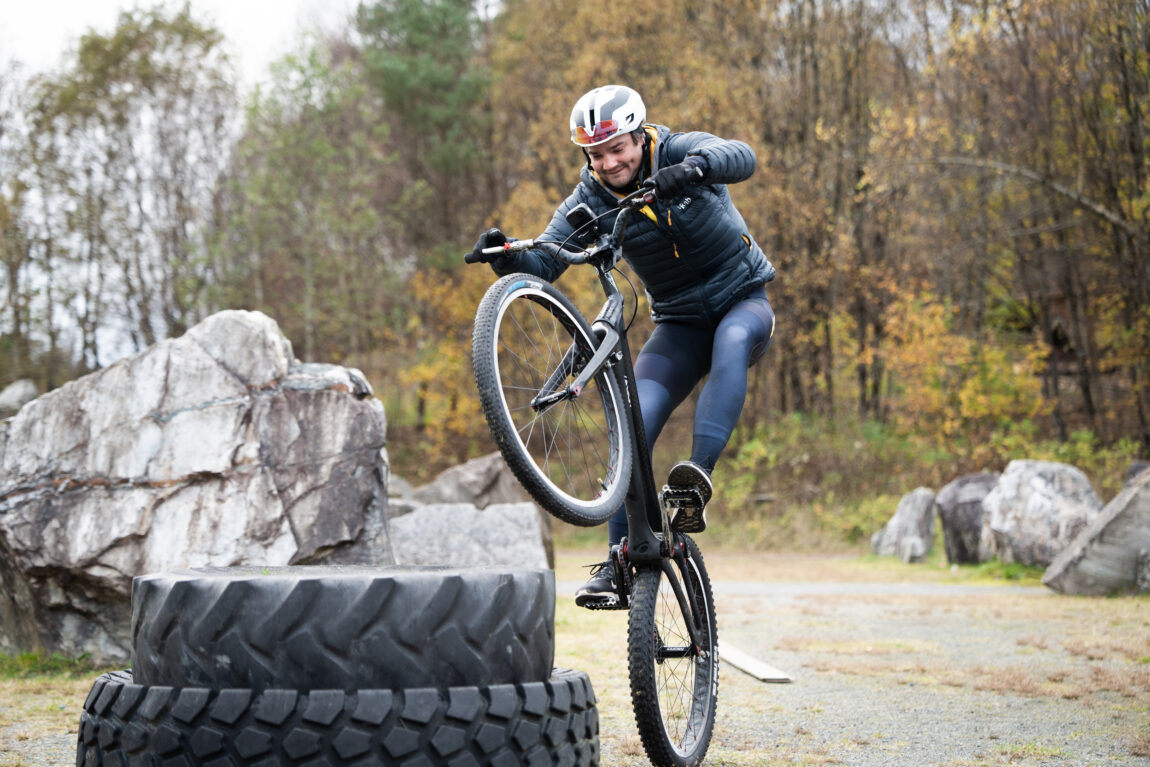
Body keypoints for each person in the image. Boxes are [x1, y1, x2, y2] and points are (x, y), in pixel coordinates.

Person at [468, 84, 776, 606]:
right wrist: (506, 256)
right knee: (632, 428)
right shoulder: (587, 200)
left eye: (619, 149)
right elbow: (548, 260)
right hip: (678, 326)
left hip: (741, 300)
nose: (610, 162)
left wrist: (696, 168)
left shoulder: (676, 149)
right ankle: (620, 563)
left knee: (733, 342)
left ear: (638, 137)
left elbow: (740, 156)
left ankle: (695, 479)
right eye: (596, 154)